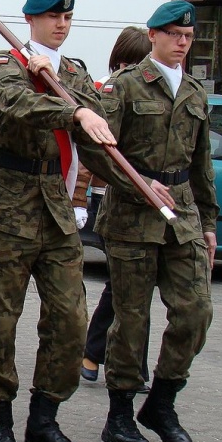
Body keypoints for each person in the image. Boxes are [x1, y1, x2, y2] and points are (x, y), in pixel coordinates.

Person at [0, 0, 115, 442]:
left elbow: (99, 120)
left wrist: (78, 101)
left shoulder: (73, 72)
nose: (61, 24)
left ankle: (44, 421)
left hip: (57, 208)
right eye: (52, 17)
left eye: (67, 17)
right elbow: (17, 104)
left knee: (70, 318)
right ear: (30, 20)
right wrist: (72, 108)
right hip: (9, 206)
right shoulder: (8, 63)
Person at [77, 0, 218, 442]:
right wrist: (139, 184)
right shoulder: (125, 86)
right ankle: (119, 415)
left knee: (196, 312)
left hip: (182, 218)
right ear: (153, 35)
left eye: (188, 36)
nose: (182, 43)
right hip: (132, 220)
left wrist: (209, 223)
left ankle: (161, 403)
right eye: (174, 34)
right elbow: (98, 150)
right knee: (131, 321)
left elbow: (202, 164)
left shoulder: (194, 92)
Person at [77, 26, 153, 390]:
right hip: (112, 200)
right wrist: (78, 199)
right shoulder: (110, 91)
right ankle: (103, 355)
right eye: (133, 63)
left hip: (145, 202)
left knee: (133, 285)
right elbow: (91, 153)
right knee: (126, 285)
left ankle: (112, 358)